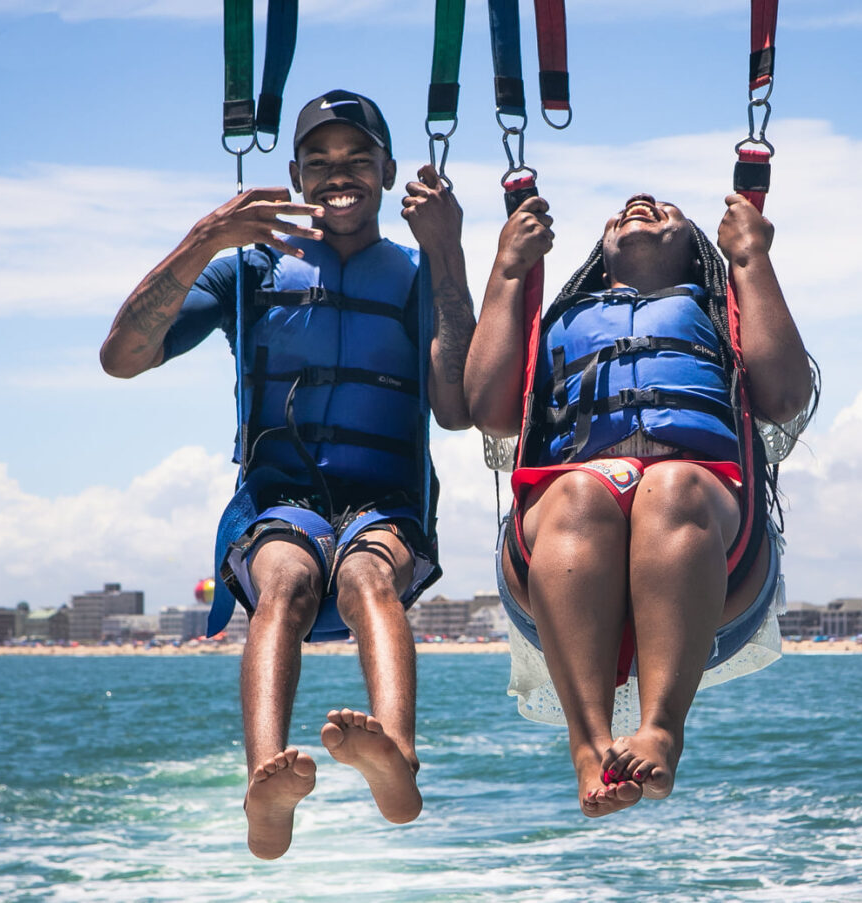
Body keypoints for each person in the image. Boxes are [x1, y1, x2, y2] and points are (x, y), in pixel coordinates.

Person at [101, 90, 474, 858]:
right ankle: (265, 786)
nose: (340, 175)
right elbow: (121, 358)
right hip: (280, 502)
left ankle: (396, 755)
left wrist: (448, 251)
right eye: (321, 162)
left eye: (358, 160)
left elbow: (457, 404)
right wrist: (203, 239)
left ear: (388, 172)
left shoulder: (411, 275)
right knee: (285, 581)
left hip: (387, 503)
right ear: (298, 176)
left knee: (368, 576)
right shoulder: (250, 271)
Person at [465, 190, 814, 817]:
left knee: (669, 485)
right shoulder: (558, 321)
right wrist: (508, 270)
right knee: (579, 490)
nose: (641, 201)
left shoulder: (718, 308)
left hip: (709, 529)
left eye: (667, 207)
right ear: (600, 252)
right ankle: (588, 744)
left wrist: (752, 257)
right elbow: (490, 412)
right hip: (570, 523)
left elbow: (786, 395)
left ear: (696, 248)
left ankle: (661, 729)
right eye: (620, 210)